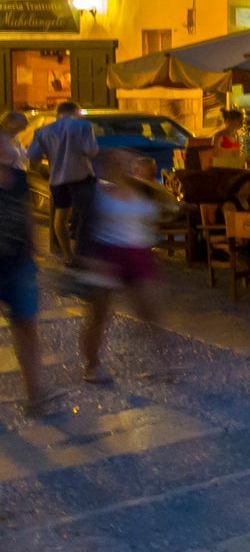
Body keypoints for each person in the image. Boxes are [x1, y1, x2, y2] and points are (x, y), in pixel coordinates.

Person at [77, 151, 179, 385]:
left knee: (152, 311)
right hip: (107, 253)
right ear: (106, 167)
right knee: (99, 314)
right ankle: (92, 365)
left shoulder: (145, 191)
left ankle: (165, 364)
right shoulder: (98, 193)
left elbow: (167, 211)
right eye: (116, 162)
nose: (122, 167)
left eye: (126, 163)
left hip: (139, 253)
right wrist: (89, 258)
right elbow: (84, 227)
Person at [0, 111, 55, 413]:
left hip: (19, 263)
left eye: (10, 144)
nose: (12, 148)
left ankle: (36, 394)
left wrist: (34, 254)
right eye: (6, 144)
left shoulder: (19, 180)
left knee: (27, 326)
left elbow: (27, 217)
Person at [29, 100, 100, 259]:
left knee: (61, 216)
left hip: (57, 178)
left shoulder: (42, 131)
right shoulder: (84, 126)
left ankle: (67, 255)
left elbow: (34, 156)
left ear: (58, 113)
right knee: (86, 214)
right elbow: (91, 150)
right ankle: (82, 252)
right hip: (81, 176)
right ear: (76, 111)